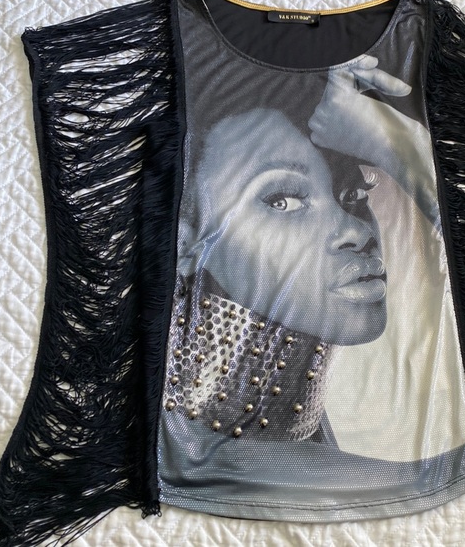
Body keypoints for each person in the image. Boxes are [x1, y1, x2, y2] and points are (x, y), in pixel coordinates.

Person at [164, 55, 437, 443]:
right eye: (282, 201)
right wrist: (408, 151)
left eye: (354, 194)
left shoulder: (299, 449)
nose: (356, 230)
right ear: (187, 240)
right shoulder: (212, 460)